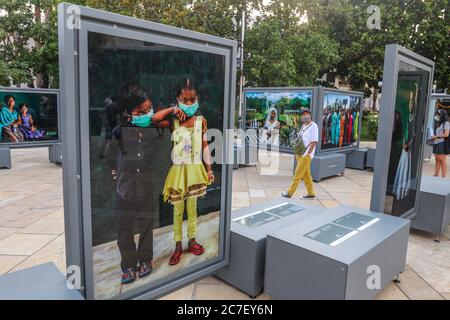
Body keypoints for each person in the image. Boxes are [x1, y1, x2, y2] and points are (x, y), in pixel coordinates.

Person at [104, 84, 163, 285]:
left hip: (147, 188)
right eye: (141, 112)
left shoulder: (154, 131)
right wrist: (116, 170)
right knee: (124, 230)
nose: (147, 114)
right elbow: (109, 156)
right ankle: (128, 265)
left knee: (146, 227)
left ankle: (145, 260)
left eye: (149, 109)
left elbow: (159, 156)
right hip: (125, 190)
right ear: (128, 114)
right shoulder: (119, 132)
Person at [152, 78, 214, 266]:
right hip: (178, 171)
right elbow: (153, 119)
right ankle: (178, 246)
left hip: (195, 170)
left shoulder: (201, 121)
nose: (188, 103)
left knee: (192, 209)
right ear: (178, 99)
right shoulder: (173, 121)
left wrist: (209, 169)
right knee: (178, 210)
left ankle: (192, 240)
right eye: (184, 99)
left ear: (197, 99)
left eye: (191, 99)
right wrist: (172, 110)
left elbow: (204, 146)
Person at [281, 108, 318, 199]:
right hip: (299, 152)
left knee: (297, 174)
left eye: (307, 114)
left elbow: (314, 142)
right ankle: (311, 193)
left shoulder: (314, 126)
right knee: (306, 175)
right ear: (301, 117)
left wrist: (307, 154)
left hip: (306, 155)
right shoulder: (303, 126)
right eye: (303, 114)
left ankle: (289, 193)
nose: (305, 116)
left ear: (310, 115)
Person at [432, 109, 450, 178]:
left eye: (438, 114)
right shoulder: (439, 123)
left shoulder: (446, 123)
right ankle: (436, 174)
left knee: (442, 160)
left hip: (442, 143)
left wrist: (437, 136)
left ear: (442, 115)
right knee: (437, 159)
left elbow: (446, 134)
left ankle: (443, 176)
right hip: (436, 142)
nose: (437, 116)